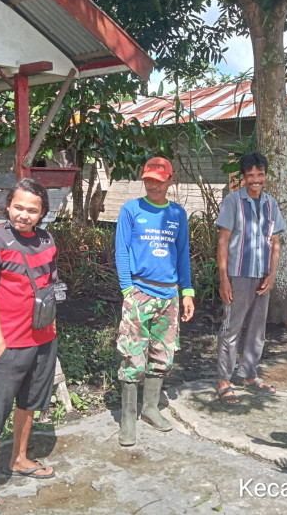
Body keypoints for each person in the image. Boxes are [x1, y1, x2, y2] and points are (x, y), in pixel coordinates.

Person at [0, 178, 59, 514]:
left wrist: (52, 328)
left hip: (44, 338)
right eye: (19, 207)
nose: (24, 214)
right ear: (8, 206)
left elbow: (49, 285)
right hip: (10, 343)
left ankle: (19, 458)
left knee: (30, 401)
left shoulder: (48, 241)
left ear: (42, 213)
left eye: (32, 210)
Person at [115, 156, 195, 446]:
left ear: (170, 181)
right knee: (132, 355)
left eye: (159, 181)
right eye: (149, 180)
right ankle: (127, 418)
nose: (153, 185)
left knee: (163, 354)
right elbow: (122, 251)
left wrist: (187, 292)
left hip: (169, 294)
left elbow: (182, 254)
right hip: (139, 292)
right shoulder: (131, 209)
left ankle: (150, 408)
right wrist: (127, 290)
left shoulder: (177, 213)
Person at [215, 151, 284, 405]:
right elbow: (223, 241)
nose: (256, 179)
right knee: (231, 327)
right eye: (250, 175)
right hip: (238, 274)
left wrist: (273, 274)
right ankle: (224, 380)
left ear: (265, 175)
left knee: (257, 328)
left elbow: (275, 242)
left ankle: (249, 374)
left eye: (260, 174)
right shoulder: (233, 202)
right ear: (243, 177)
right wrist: (224, 278)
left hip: (262, 275)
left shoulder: (271, 205)